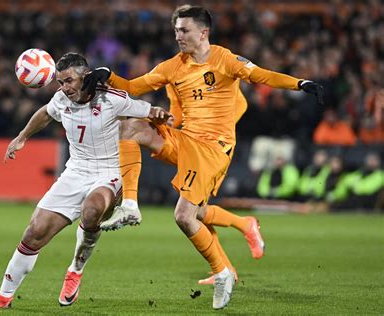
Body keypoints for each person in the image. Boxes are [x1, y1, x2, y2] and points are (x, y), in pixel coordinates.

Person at [83, 5, 324, 310]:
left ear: (203, 32)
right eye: (176, 30)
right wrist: (109, 75)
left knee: (185, 215)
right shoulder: (174, 66)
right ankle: (130, 204)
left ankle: (223, 270)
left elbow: (262, 76)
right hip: (187, 140)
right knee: (131, 126)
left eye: (184, 30)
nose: (178, 36)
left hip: (214, 147)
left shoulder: (225, 59)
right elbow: (134, 87)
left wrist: (299, 83)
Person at [0, 52, 170, 309]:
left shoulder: (111, 98)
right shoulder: (61, 99)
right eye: (60, 82)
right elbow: (45, 113)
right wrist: (22, 137)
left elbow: (146, 110)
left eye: (69, 81)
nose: (64, 87)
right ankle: (3, 297)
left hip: (109, 172)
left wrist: (161, 115)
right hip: (75, 172)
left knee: (92, 209)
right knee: (34, 232)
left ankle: (75, 269)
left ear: (85, 77)